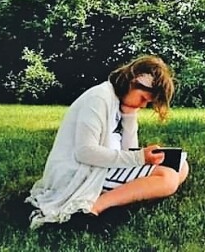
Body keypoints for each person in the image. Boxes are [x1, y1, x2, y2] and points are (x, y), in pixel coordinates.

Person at [26, 55, 189, 229]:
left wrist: (129, 116)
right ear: (133, 82)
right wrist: (139, 157)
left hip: (104, 166)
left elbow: (127, 149)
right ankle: (93, 209)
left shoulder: (118, 102)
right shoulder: (99, 98)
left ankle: (118, 200)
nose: (142, 106)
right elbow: (85, 152)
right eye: (143, 98)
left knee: (182, 166)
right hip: (84, 171)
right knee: (168, 178)